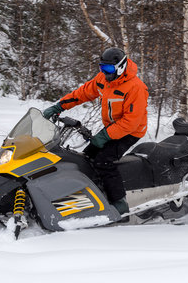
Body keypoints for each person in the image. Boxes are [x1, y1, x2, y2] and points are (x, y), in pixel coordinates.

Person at [43, 47, 148, 215]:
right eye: (102, 68)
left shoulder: (136, 88)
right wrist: (59, 106)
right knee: (87, 157)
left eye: (108, 69)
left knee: (103, 161)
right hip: (112, 127)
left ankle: (119, 202)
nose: (104, 72)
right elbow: (82, 93)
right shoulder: (103, 79)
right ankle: (94, 194)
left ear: (120, 67)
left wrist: (105, 135)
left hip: (131, 131)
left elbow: (131, 122)